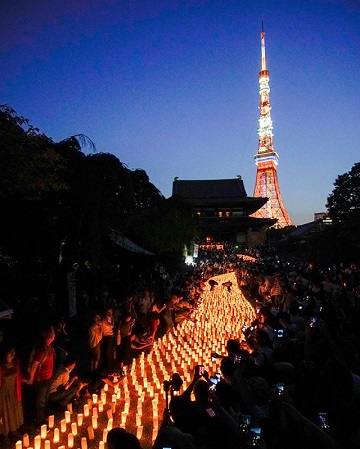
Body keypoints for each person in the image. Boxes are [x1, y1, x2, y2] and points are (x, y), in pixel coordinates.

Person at [27, 326, 56, 426]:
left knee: (45, 399)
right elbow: (34, 365)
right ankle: (39, 422)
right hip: (41, 380)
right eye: (52, 335)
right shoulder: (41, 350)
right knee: (40, 401)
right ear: (51, 337)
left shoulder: (49, 347)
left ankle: (42, 417)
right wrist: (31, 378)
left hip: (48, 378)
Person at [0, 347, 24, 438]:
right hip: (4, 392)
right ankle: (5, 431)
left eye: (11, 354)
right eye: (7, 354)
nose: (9, 356)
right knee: (5, 411)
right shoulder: (1, 366)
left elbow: (18, 376)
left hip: (13, 390)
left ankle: (13, 429)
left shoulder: (15, 364)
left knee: (13, 410)